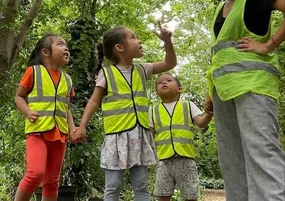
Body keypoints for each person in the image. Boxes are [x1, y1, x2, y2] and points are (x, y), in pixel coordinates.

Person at [206, 0, 285, 201]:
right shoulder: (220, 8)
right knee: (232, 159)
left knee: (261, 153)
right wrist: (211, 91)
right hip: (224, 91)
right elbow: (220, 52)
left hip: (253, 85)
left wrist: (269, 44)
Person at [75, 22, 177, 201]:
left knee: (141, 185)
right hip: (116, 137)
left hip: (139, 135)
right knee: (113, 186)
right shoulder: (106, 74)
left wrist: (168, 42)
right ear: (119, 48)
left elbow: (170, 63)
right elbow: (93, 101)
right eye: (133, 37)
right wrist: (82, 125)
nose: (139, 41)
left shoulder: (142, 69)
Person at [14, 34, 77, 201]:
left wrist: (72, 128)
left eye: (67, 46)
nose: (66, 48)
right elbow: (18, 97)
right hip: (37, 131)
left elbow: (66, 107)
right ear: (45, 52)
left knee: (52, 181)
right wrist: (27, 112)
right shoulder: (33, 72)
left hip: (60, 134)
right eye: (60, 44)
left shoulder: (67, 79)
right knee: (35, 174)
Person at [149, 73, 213, 201]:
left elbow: (201, 122)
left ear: (180, 89)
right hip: (163, 160)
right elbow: (148, 135)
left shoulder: (188, 105)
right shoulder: (153, 110)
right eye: (160, 83)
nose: (163, 83)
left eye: (168, 80)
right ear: (156, 92)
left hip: (186, 159)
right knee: (162, 195)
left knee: (190, 196)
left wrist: (209, 114)